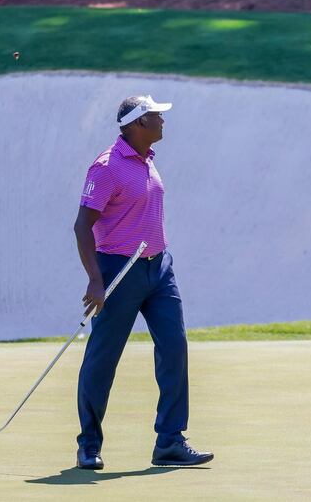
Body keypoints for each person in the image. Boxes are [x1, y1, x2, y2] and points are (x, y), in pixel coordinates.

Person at [72, 95, 213, 470]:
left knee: (174, 345)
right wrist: (95, 279)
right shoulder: (106, 168)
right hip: (119, 269)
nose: (162, 121)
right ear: (137, 124)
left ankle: (170, 440)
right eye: (155, 116)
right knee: (103, 358)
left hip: (159, 269)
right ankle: (88, 443)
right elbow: (82, 226)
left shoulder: (149, 161)